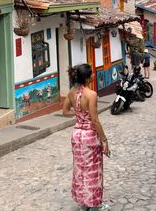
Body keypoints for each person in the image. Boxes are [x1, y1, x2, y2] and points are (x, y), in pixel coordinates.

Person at [63, 64, 110, 211]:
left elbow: (65, 111)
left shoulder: (71, 92)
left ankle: (84, 204)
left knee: (80, 170)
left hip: (77, 135)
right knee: (93, 170)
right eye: (92, 74)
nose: (94, 76)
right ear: (87, 78)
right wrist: (104, 140)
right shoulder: (92, 95)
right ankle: (95, 205)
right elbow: (95, 120)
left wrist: (77, 114)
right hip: (89, 136)